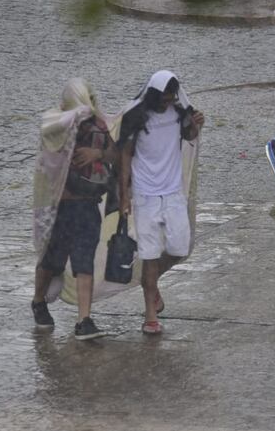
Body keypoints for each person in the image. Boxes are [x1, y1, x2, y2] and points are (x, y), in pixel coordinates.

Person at [118, 70, 204, 335]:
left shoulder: (178, 112)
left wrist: (197, 124)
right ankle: (150, 315)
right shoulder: (135, 115)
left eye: (171, 98)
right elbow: (125, 155)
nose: (167, 102)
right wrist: (124, 195)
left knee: (180, 247)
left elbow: (189, 136)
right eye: (164, 98)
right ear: (154, 95)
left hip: (172, 191)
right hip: (145, 194)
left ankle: (152, 286)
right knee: (149, 253)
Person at [31, 78, 117, 340]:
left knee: (84, 262)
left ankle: (84, 320)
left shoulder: (98, 127)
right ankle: (38, 301)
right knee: (52, 260)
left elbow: (115, 153)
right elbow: (49, 148)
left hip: (87, 205)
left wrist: (97, 154)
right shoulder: (55, 125)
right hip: (61, 207)